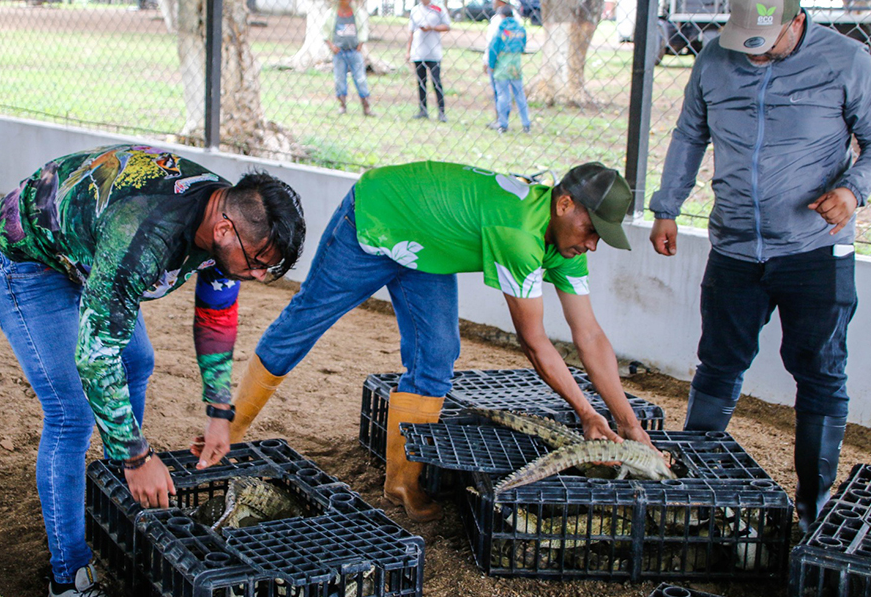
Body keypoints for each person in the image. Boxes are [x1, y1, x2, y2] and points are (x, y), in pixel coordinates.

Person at [221, 160, 657, 523]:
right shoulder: (520, 234)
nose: (594, 244)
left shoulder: (566, 245)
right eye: (593, 229)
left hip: (425, 247)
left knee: (437, 354)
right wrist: (585, 413)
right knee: (305, 321)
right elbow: (535, 343)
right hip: (377, 218)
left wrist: (628, 423)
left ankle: (401, 482)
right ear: (565, 204)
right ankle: (231, 433)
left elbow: (591, 335)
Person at [0, 144, 305, 596]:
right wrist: (138, 457)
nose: (260, 277)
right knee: (72, 413)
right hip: (24, 259)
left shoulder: (223, 219)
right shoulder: (146, 236)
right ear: (225, 229)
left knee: (137, 361)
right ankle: (69, 576)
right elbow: (94, 356)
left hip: (89, 254)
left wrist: (219, 409)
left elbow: (216, 314)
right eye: (258, 262)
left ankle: (112, 499)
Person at [648, 0, 871, 532]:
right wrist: (667, 206)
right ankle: (698, 492)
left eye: (766, 43)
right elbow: (690, 134)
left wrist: (853, 191)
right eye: (745, 44)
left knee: (821, 372)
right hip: (734, 247)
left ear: (797, 22)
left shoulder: (847, 62)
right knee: (718, 363)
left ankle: (813, 508)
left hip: (814, 250)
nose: (753, 56)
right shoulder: (713, 60)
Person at [324, 0, 373, 117]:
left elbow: (363, 29)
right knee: (339, 79)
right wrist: (331, 46)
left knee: (360, 78)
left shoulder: (357, 13)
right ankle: (342, 105)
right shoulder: (332, 14)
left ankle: (366, 106)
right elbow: (325, 31)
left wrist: (361, 44)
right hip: (339, 52)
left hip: (354, 51)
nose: (349, 1)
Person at [406, 0, 450, 121]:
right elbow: (411, 32)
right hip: (418, 52)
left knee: (436, 82)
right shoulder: (415, 10)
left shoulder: (438, 9)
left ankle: (441, 112)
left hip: (434, 53)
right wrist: (408, 51)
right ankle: (423, 110)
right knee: (421, 82)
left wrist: (432, 28)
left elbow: (447, 26)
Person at [488, 5, 531, 134]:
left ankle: (503, 123)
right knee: (520, 95)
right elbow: (523, 46)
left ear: (502, 16)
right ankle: (526, 123)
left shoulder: (501, 30)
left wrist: (491, 65)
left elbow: (493, 49)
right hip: (515, 66)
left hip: (501, 66)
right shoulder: (521, 30)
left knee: (503, 95)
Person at [483, 0, 520, 128]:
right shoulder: (515, 18)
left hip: (497, 59)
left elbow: (492, 43)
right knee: (504, 91)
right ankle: (501, 119)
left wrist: (487, 60)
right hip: (510, 59)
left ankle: (501, 120)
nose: (493, 2)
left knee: (500, 91)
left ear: (500, 1)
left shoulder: (499, 20)